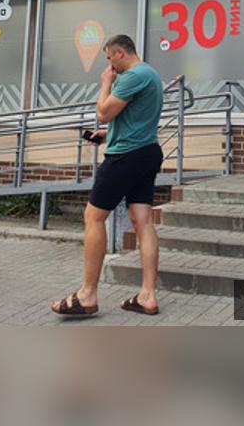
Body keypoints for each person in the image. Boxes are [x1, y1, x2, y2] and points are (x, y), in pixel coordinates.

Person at [52, 34, 164, 319]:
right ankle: (147, 296)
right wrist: (108, 135)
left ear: (119, 53)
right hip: (147, 152)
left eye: (109, 58)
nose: (109, 65)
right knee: (143, 221)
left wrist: (106, 83)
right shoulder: (151, 74)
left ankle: (87, 295)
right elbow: (134, 119)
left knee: (93, 217)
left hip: (125, 156)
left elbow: (103, 112)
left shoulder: (132, 76)